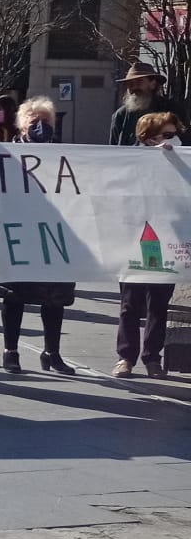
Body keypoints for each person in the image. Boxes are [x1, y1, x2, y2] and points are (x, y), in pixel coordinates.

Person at [0, 96, 75, 376]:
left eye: (46, 121)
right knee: (15, 296)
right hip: (18, 233)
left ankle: (52, 353)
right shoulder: (3, 155)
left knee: (55, 297)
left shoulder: (64, 157)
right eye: (33, 121)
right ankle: (10, 351)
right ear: (21, 125)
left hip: (53, 235)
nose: (40, 126)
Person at [116, 110, 183, 378]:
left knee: (158, 302)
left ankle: (152, 358)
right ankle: (125, 357)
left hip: (167, 238)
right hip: (135, 237)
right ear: (147, 138)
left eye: (175, 134)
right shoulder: (128, 163)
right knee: (130, 302)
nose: (174, 139)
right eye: (167, 135)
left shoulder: (181, 160)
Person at [110, 62, 185, 146]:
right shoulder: (121, 115)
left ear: (153, 84)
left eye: (139, 82)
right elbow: (113, 149)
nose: (134, 88)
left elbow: (185, 144)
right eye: (130, 84)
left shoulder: (172, 109)